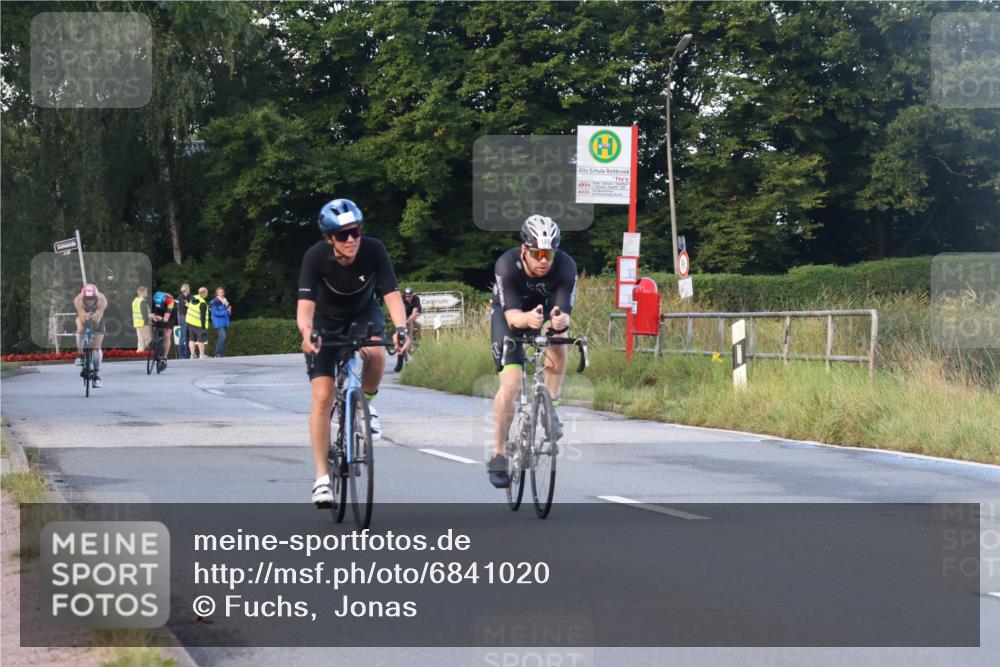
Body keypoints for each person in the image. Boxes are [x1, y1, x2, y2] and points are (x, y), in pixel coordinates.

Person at [297, 198, 408, 507]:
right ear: (329, 238)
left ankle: (368, 403)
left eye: (355, 232)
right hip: (325, 322)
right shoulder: (315, 257)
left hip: (363, 313)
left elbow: (391, 294)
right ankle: (322, 479)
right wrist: (307, 335)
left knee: (376, 353)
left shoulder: (374, 250)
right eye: (343, 235)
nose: (351, 240)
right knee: (322, 395)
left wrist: (401, 328)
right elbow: (304, 309)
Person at [487, 215, 577, 488]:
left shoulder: (565, 266)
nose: (543, 260)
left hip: (542, 316)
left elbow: (563, 311)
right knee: (512, 386)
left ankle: (550, 407)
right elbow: (513, 316)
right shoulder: (506, 264)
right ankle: (499, 453)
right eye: (537, 253)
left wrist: (560, 321)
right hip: (509, 319)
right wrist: (528, 319)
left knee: (559, 337)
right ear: (524, 250)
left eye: (548, 253)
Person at [73, 283, 108, 388]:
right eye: (87, 298)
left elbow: (99, 316)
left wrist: (95, 318)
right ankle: (80, 354)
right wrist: (85, 317)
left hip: (97, 318)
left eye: (92, 298)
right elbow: (81, 317)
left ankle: (97, 375)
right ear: (83, 297)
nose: (90, 300)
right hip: (83, 316)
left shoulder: (102, 300)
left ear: (96, 297)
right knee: (80, 328)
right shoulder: (78, 300)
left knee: (96, 348)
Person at [394, 287, 422, 372]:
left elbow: (414, 311)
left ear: (412, 295)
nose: (408, 297)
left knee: (411, 319)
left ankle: (410, 336)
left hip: (415, 311)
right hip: (407, 312)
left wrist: (410, 319)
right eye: (407, 296)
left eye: (410, 296)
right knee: (402, 319)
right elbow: (399, 309)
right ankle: (401, 340)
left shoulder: (416, 299)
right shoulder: (404, 299)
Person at [149, 291, 177, 365]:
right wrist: (151, 316)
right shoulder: (153, 300)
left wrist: (162, 319)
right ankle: (155, 343)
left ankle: (164, 357)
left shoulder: (170, 301)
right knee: (152, 323)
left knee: (167, 335)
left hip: (171, 312)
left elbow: (166, 319)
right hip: (158, 310)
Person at [185, 286, 211, 359]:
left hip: (190, 322)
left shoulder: (193, 298)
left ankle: (192, 355)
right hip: (198, 324)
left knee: (191, 339)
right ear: (205, 293)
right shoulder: (203, 303)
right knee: (200, 339)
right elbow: (202, 316)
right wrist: (203, 326)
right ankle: (202, 354)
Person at [210, 286, 232, 358]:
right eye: (220, 292)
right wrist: (226, 311)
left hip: (224, 322)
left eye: (222, 292)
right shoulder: (214, 301)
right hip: (218, 322)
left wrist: (229, 310)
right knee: (222, 336)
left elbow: (228, 312)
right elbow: (216, 313)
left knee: (222, 337)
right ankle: (217, 353)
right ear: (217, 293)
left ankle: (221, 353)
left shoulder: (225, 301)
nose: (221, 293)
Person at [132, 286, 151, 352]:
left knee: (141, 340)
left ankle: (139, 353)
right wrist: (147, 322)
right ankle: (142, 352)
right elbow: (144, 314)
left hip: (137, 323)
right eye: (146, 292)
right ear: (142, 292)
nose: (147, 293)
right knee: (148, 340)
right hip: (143, 324)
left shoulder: (135, 301)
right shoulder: (142, 301)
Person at [177, 284, 192, 359]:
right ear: (185, 289)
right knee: (183, 336)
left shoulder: (189, 297)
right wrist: (189, 304)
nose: (189, 290)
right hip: (183, 317)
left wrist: (189, 304)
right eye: (188, 289)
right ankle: (181, 355)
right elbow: (187, 305)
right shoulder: (181, 297)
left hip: (189, 317)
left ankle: (187, 354)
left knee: (188, 336)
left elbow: (192, 305)